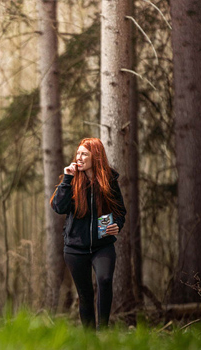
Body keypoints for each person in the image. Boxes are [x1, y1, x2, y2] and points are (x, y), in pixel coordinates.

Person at [50, 137, 126, 330]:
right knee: (85, 296)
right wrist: (67, 178)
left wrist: (117, 225)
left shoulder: (109, 181)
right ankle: (90, 340)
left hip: (103, 245)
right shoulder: (72, 180)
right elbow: (58, 207)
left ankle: (104, 331)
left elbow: (119, 211)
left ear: (96, 157)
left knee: (105, 280)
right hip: (75, 248)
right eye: (78, 153)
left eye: (84, 154)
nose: (79, 157)